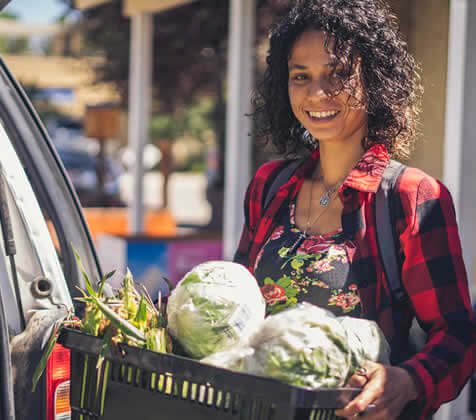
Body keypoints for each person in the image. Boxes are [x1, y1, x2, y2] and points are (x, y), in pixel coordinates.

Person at [233, 1, 476, 419]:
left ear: (375, 79)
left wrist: (409, 381)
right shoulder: (269, 187)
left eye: (338, 73)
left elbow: (457, 335)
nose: (316, 93)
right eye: (300, 76)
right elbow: (238, 306)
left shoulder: (411, 197)